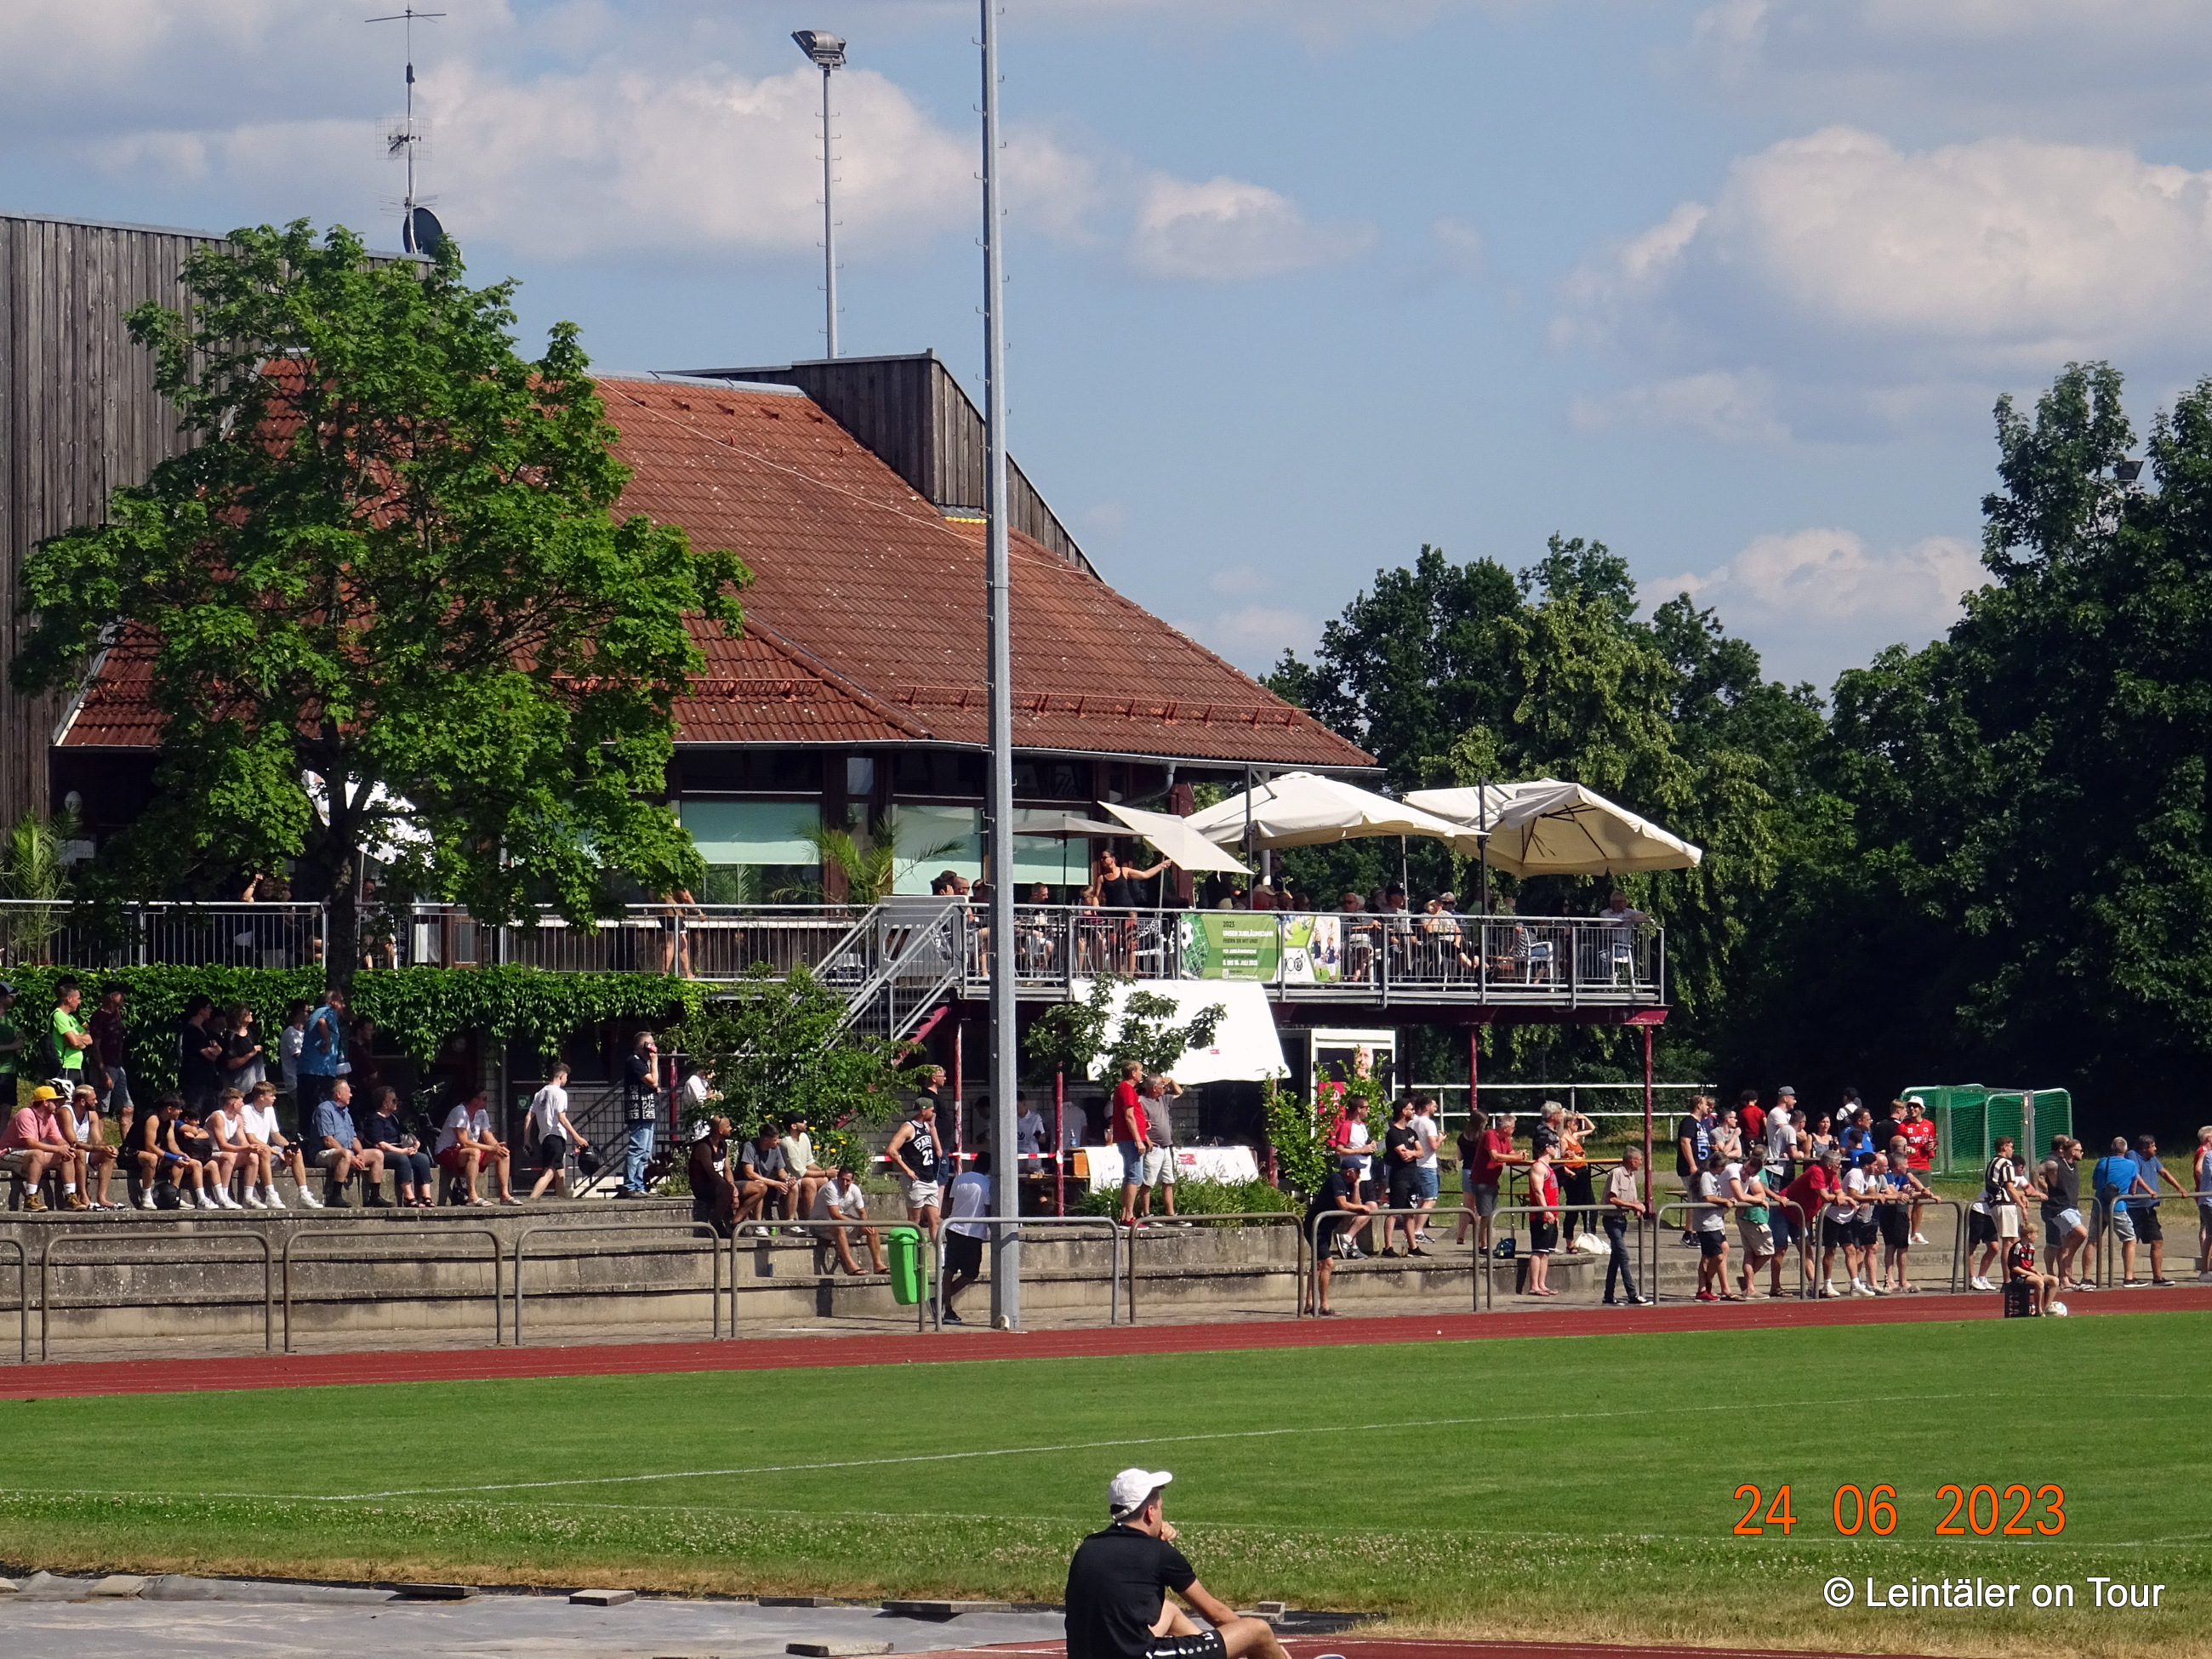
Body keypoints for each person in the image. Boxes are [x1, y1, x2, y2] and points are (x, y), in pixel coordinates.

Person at [1064, 1468, 1289, 1659]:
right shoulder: (1160, 1553)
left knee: (1169, 1611)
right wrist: (1263, 1645)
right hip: (1141, 1655)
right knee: (1257, 1630)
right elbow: (1217, 1615)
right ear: (1150, 1513)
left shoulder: (1088, 1547)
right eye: (1160, 1508)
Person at [1300, 1160, 1375, 1317]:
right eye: (1357, 1171)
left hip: (1326, 1227)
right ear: (1349, 1171)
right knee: (1328, 1263)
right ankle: (1324, 1305)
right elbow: (1343, 1205)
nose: (1359, 1174)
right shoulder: (1336, 1179)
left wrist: (1356, 1186)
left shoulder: (1350, 1183)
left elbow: (1354, 1204)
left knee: (1319, 1264)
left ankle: (1309, 1303)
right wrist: (1363, 1207)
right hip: (1316, 1226)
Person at [2, 1084, 85, 1211]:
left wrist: (65, 1147)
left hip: (27, 1155)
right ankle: (30, 1198)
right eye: (54, 1101)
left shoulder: (49, 1117)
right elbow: (30, 1143)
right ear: (45, 1102)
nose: (58, 1104)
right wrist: (58, 1149)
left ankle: (70, 1197)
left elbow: (58, 1139)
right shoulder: (25, 1114)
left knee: (66, 1154)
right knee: (37, 1154)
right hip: (7, 1154)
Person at [127, 1093, 209, 1210]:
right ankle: (146, 1197)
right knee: (152, 1158)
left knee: (181, 1161)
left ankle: (173, 1197)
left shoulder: (170, 1121)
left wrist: (181, 1155)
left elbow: (172, 1143)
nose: (181, 1111)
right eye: (178, 1108)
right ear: (169, 1109)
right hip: (130, 1152)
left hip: (150, 1154)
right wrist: (172, 1157)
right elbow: (150, 1146)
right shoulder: (153, 1119)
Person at [311, 1078, 385, 1206]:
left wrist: (360, 1154)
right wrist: (351, 1156)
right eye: (348, 1092)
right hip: (324, 1153)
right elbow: (328, 1140)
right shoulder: (324, 1109)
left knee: (377, 1154)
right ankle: (335, 1196)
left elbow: (354, 1138)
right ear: (338, 1094)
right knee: (345, 1154)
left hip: (346, 1152)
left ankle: (375, 1196)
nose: (351, 1095)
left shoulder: (346, 1112)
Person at [241, 1079, 316, 1206]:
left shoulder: (270, 1110)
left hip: (267, 1150)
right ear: (261, 1097)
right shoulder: (246, 1110)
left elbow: (276, 1135)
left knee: (296, 1151)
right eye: (271, 1095)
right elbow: (251, 1139)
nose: (274, 1098)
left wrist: (288, 1146)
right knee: (265, 1150)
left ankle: (304, 1194)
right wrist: (277, 1153)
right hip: (253, 1151)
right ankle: (270, 1194)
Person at [940, 1150, 993, 1325]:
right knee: (970, 1273)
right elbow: (988, 1209)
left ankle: (944, 1303)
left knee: (950, 1268)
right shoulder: (987, 1183)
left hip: (953, 1227)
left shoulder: (959, 1178)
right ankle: (942, 1301)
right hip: (972, 1233)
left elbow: (950, 1203)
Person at [438, 1087, 516, 1205]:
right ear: (475, 1100)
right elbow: (464, 1142)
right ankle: (472, 1196)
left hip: (467, 1152)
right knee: (474, 1152)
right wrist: (492, 1148)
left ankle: (505, 1195)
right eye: (484, 1099)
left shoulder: (482, 1113)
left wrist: (497, 1147)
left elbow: (487, 1136)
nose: (486, 1102)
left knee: (503, 1154)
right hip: (446, 1151)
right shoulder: (459, 1112)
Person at [2031, 1134, 2089, 1292]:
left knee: (2065, 1244)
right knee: (2079, 1234)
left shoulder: (2073, 1165)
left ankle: (2064, 1279)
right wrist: (2038, 1190)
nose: (2082, 1153)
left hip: (2071, 1206)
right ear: (2070, 1150)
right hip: (2058, 1208)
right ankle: (2058, 1270)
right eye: (2079, 1150)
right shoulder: (2053, 1163)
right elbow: (2035, 1171)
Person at [1969, 1136, 2027, 1290]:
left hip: (1995, 1204)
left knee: (2011, 1241)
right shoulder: (2006, 1163)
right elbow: (2009, 1187)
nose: (2012, 1150)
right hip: (2004, 1204)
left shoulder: (1992, 1162)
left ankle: (2011, 1278)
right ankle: (2009, 1280)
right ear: (2004, 1147)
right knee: (2009, 1243)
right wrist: (2021, 1205)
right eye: (2011, 1147)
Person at [2090, 1137, 2150, 1286]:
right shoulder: (2131, 1165)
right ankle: (2129, 1277)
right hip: (2117, 1206)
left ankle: (2086, 1277)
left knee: (2093, 1241)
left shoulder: (2102, 1162)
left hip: (2099, 1205)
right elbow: (2133, 1189)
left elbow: (2094, 1184)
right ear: (2125, 1150)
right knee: (2130, 1239)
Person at [526, 1064, 590, 1201]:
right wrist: (577, 1137)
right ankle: (531, 1201)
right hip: (556, 1137)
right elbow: (562, 1117)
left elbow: (528, 1117)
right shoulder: (560, 1093)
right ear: (561, 1076)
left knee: (560, 1177)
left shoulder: (539, 1094)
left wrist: (527, 1140)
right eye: (566, 1077)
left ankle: (565, 1203)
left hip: (544, 1137)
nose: (566, 1080)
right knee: (549, 1173)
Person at [886, 1094, 946, 1239]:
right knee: (914, 1220)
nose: (933, 1113)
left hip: (929, 1178)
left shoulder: (927, 1126)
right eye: (931, 1110)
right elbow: (891, 1150)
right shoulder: (908, 1127)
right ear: (923, 1111)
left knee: (935, 1219)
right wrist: (907, 1170)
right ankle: (912, 1249)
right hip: (916, 1180)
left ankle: (939, 1251)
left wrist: (932, 1127)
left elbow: (939, 1151)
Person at [1457, 1109, 1518, 1251]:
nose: (1514, 1130)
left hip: (1490, 1179)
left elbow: (1511, 1153)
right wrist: (1515, 1157)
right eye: (1513, 1127)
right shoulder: (1490, 1134)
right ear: (1506, 1128)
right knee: (1484, 1213)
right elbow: (1494, 1156)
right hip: (1481, 1179)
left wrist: (1519, 1156)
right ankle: (1482, 1244)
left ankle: (1470, 1238)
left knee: (1486, 1213)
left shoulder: (1504, 1139)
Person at [363, 1086, 434, 1207]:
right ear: (385, 1103)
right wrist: (401, 1152)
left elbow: (405, 1132)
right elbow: (380, 1144)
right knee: (402, 1159)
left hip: (399, 1149)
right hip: (384, 1153)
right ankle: (408, 1196)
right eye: (394, 1100)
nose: (397, 1103)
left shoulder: (394, 1118)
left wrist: (415, 1142)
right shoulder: (374, 1120)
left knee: (422, 1159)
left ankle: (426, 1196)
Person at [2132, 1134, 2186, 1287]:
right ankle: (2130, 1276)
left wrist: (2180, 1188)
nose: (2155, 1149)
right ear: (2144, 1148)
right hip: (2134, 1208)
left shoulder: (2153, 1159)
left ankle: (2158, 1277)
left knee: (2157, 1240)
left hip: (2149, 1208)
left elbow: (2164, 1173)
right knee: (2132, 1242)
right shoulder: (2133, 1156)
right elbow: (2135, 1175)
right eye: (2153, 1146)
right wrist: (2149, 1190)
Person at [813, 1165, 886, 1274]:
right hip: (820, 1224)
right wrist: (856, 1223)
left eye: (847, 1180)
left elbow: (862, 1212)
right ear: (838, 1178)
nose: (844, 1183)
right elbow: (834, 1214)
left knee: (872, 1229)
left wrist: (865, 1224)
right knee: (839, 1227)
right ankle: (851, 1266)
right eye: (842, 1180)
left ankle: (878, 1264)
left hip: (839, 1222)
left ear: (852, 1180)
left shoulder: (855, 1190)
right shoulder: (830, 1188)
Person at [203, 1087, 267, 1207]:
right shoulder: (218, 1116)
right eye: (241, 1101)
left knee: (253, 1157)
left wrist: (252, 1148)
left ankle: (248, 1197)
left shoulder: (238, 1119)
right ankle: (224, 1197)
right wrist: (245, 1149)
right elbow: (222, 1145)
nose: (243, 1104)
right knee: (229, 1156)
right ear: (233, 1104)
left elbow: (242, 1142)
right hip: (209, 1153)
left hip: (223, 1153)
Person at [618, 1028, 661, 1199]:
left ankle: (639, 1185)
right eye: (651, 1044)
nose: (653, 1048)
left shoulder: (643, 1063)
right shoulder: (634, 1061)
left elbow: (651, 1084)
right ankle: (629, 1185)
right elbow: (653, 1081)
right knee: (637, 1149)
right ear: (644, 1045)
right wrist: (654, 1062)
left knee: (645, 1152)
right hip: (638, 1112)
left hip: (647, 1111)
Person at [61, 1083, 120, 1209]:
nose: (96, 1102)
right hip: (67, 1153)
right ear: (82, 1101)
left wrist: (108, 1147)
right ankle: (83, 1195)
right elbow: (73, 1142)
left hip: (83, 1151)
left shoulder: (92, 1114)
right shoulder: (66, 1112)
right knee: (81, 1152)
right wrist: (98, 1148)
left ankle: (102, 1197)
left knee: (108, 1155)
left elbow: (98, 1141)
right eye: (93, 1099)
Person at [1601, 1146, 1647, 1305]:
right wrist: (1633, 1205)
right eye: (1639, 1160)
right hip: (1611, 1220)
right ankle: (1632, 1295)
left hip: (1622, 1221)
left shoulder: (1631, 1176)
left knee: (1615, 1259)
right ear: (1632, 1160)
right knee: (1623, 1256)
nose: (1641, 1163)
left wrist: (1638, 1206)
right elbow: (1612, 1199)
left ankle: (1608, 1295)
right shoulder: (1617, 1173)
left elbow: (1633, 1199)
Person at [1725, 1149, 1773, 1299]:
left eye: (1749, 1173)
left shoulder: (1754, 1176)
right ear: (1745, 1163)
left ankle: (1748, 1286)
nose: (1744, 1174)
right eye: (1745, 1170)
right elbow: (1740, 1196)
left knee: (1751, 1252)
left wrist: (1758, 1199)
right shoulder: (1734, 1169)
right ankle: (1747, 1283)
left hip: (1745, 1214)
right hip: (1748, 1216)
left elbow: (1761, 1193)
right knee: (1767, 1251)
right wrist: (1758, 1201)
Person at [297, 988, 350, 1116]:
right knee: (319, 1109)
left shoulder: (317, 1012)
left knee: (308, 1111)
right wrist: (328, 1042)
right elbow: (322, 1022)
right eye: (341, 1002)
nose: (343, 1006)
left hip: (309, 1070)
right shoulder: (328, 1011)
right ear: (333, 1002)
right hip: (318, 1072)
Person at [1109, 1060, 1150, 1228]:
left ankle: (1126, 1214)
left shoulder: (1126, 1089)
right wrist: (1138, 1140)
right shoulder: (1126, 1088)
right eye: (1140, 1070)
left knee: (1130, 1176)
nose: (1142, 1074)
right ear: (1133, 1073)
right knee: (1135, 1177)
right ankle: (1129, 1216)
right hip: (1130, 1139)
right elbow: (1129, 1116)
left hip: (1130, 1138)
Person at [88, 982, 131, 1132]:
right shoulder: (99, 1017)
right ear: (112, 997)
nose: (123, 998)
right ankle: (98, 1141)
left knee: (127, 1108)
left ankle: (127, 1143)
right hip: (105, 1066)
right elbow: (95, 1047)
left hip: (118, 1066)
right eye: (120, 994)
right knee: (101, 1109)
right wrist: (103, 1073)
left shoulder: (116, 1013)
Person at [1690, 1147, 1732, 1301]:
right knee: (1716, 1256)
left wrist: (1726, 1202)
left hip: (1716, 1222)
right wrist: (1724, 1201)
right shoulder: (1706, 1176)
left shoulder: (1712, 1177)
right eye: (1723, 1166)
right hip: (1707, 1223)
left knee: (1721, 1250)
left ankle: (1704, 1287)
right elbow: (1708, 1197)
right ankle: (1706, 1283)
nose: (1724, 1170)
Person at [1382, 1098, 1422, 1256]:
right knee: (1394, 1211)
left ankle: (1413, 1246)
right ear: (1403, 1112)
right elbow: (1403, 1154)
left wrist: (1412, 1153)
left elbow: (1421, 1152)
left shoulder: (1411, 1132)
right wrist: (1413, 1153)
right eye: (1411, 1109)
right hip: (1399, 1177)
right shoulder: (1393, 1132)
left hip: (1412, 1175)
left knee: (1410, 1212)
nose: (1414, 1112)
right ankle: (1388, 1247)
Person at [1140, 1075, 1183, 1225]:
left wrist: (1171, 1081)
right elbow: (1139, 1122)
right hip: (1154, 1147)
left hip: (1166, 1147)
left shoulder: (1163, 1100)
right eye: (1162, 1086)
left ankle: (1170, 1215)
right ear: (1154, 1088)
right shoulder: (1142, 1101)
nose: (1164, 1089)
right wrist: (1146, 1138)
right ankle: (1146, 1214)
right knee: (1148, 1182)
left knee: (1168, 1181)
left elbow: (1179, 1092)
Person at [687, 1116, 738, 1235]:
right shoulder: (703, 1147)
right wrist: (730, 1189)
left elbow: (727, 1169)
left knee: (757, 1189)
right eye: (728, 1126)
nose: (731, 1128)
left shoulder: (723, 1145)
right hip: (704, 1187)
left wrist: (733, 1186)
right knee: (727, 1190)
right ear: (720, 1130)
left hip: (722, 1185)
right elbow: (711, 1173)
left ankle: (737, 1222)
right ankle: (716, 1221)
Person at [1674, 1094, 1714, 1244]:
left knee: (1699, 1198)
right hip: (1692, 1167)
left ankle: (1696, 1231)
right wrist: (1692, 1165)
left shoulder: (1700, 1124)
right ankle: (1689, 1233)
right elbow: (1685, 1142)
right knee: (1694, 1199)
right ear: (1698, 1105)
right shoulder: (1689, 1122)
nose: (1707, 1107)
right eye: (1705, 1104)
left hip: (1703, 1166)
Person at [1898, 1097, 1939, 1240]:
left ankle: (1915, 1233)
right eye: (1910, 1106)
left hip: (1924, 1165)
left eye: (1915, 1106)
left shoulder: (1929, 1125)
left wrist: (1932, 1145)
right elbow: (1896, 1144)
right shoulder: (1903, 1126)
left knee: (1921, 1200)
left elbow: (1932, 1141)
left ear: (1921, 1109)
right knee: (1908, 1199)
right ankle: (1905, 1232)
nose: (1912, 1109)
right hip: (1909, 1165)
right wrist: (1905, 1149)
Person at [1525, 1143, 1562, 1297]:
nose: (1557, 1148)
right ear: (1547, 1148)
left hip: (1552, 1215)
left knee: (1546, 1252)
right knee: (1538, 1250)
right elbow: (1538, 1191)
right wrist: (1545, 1210)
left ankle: (1542, 1284)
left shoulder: (1548, 1167)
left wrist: (1555, 1214)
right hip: (1541, 1216)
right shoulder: (1538, 1167)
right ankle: (1534, 1285)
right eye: (1555, 1145)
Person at [738, 1125, 796, 1223]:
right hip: (749, 1183)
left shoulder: (776, 1148)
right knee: (760, 1186)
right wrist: (774, 1183)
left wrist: (787, 1179)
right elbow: (749, 1173)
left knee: (794, 1186)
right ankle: (758, 1224)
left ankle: (791, 1222)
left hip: (768, 1183)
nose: (778, 1142)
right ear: (765, 1140)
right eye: (775, 1140)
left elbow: (781, 1171)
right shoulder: (749, 1147)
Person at [779, 1114, 828, 1222]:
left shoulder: (804, 1137)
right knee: (809, 1182)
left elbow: (810, 1163)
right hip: (790, 1180)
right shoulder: (787, 1143)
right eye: (802, 1121)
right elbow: (800, 1173)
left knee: (825, 1180)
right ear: (794, 1126)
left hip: (802, 1178)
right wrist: (825, 1172)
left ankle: (824, 1217)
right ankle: (811, 1221)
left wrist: (827, 1173)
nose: (805, 1122)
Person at [1408, 1093, 1442, 1246]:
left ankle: (1414, 1230)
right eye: (1434, 1106)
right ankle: (1418, 1230)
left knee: (1421, 1199)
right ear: (1427, 1107)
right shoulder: (1429, 1123)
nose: (1436, 1108)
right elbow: (1433, 1146)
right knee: (1430, 1199)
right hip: (1428, 1165)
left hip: (1416, 1164)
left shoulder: (1411, 1122)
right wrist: (1440, 1139)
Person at [48, 977, 94, 1093]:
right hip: (66, 1066)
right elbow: (75, 1042)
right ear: (69, 999)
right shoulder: (58, 1015)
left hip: (78, 1066)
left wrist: (78, 1040)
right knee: (66, 1100)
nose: (79, 1002)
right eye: (78, 998)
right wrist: (78, 1040)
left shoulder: (72, 1018)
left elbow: (89, 1038)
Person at [2005, 1223, 2061, 1316]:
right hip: (2018, 1276)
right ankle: (2039, 1311)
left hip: (2029, 1274)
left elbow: (2030, 1265)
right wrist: (2032, 1275)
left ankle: (2047, 1308)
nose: (2037, 1237)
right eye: (2035, 1234)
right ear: (2029, 1235)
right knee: (2039, 1282)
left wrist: (2037, 1272)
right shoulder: (2017, 1247)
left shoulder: (2031, 1248)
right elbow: (2015, 1268)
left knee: (2054, 1280)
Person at [221, 1003, 267, 1097]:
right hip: (242, 1088)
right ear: (240, 1017)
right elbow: (230, 1064)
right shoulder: (231, 1037)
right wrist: (251, 1054)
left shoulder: (250, 1032)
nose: (251, 1013)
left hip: (257, 1083)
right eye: (247, 1012)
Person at [276, 999, 310, 1111]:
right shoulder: (290, 1033)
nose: (309, 1015)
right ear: (299, 1012)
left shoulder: (304, 1033)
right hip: (296, 1083)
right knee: (304, 1113)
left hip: (304, 1082)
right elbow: (299, 1056)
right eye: (308, 1012)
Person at [0, 982, 21, 1108]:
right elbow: (14, 1045)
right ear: (2, 998)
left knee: (6, 1109)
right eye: (11, 996)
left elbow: (17, 1042)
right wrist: (13, 1046)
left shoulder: (10, 1019)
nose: (14, 999)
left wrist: (20, 1043)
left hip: (10, 1072)